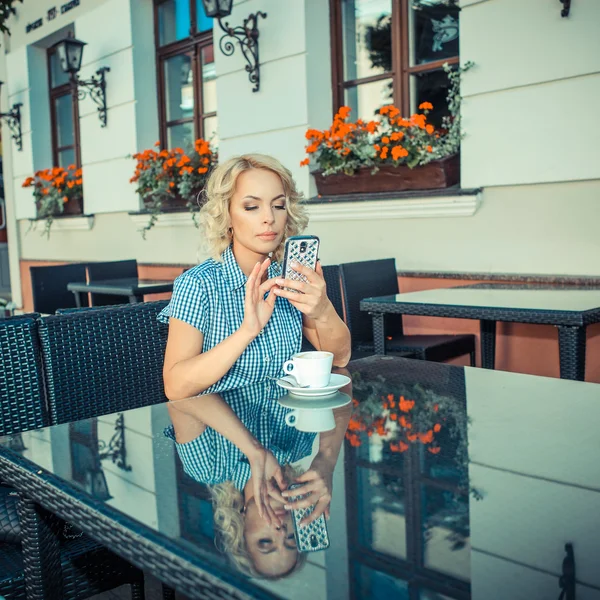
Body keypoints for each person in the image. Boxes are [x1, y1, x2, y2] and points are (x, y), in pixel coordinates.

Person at [158, 154, 351, 397]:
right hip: (219, 425)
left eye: (278, 205)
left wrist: (322, 310)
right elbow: (175, 387)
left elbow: (340, 359)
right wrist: (247, 331)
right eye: (251, 207)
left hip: (285, 423)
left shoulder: (289, 278)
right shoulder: (198, 284)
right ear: (226, 215)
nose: (269, 217)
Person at [166, 380, 351, 579]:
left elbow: (181, 395)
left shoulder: (208, 466)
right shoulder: (299, 445)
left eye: (265, 542)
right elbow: (340, 375)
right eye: (291, 538)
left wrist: (254, 449)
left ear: (240, 528)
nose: (281, 531)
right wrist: (327, 456)